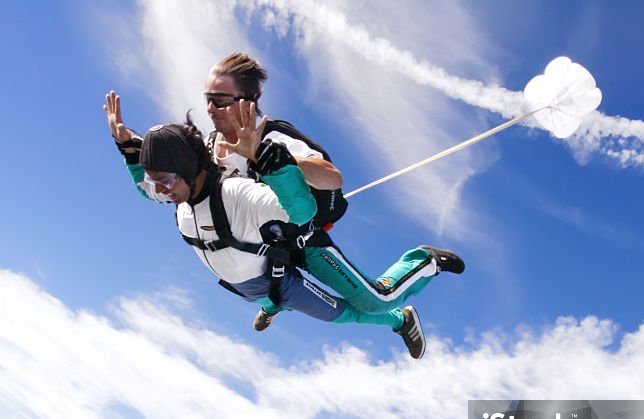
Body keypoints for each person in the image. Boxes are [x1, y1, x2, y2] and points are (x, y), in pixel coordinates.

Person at [104, 51, 464, 333]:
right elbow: (173, 175)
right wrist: (132, 147)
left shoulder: (274, 136)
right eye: (207, 99)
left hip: (302, 239)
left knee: (374, 303)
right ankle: (272, 303)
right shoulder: (211, 143)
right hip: (264, 247)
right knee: (263, 278)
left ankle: (424, 261)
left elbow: (331, 177)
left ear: (248, 101)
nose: (210, 109)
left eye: (220, 99)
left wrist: (265, 155)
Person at [128, 100, 430, 358]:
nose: (161, 191)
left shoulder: (235, 193)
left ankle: (398, 319)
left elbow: (300, 212)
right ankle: (271, 308)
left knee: (339, 314)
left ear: (188, 167)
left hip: (277, 281)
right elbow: (146, 189)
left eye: (165, 181)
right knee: (267, 301)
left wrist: (275, 166)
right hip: (246, 288)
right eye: (155, 182)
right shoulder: (178, 197)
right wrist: (126, 148)